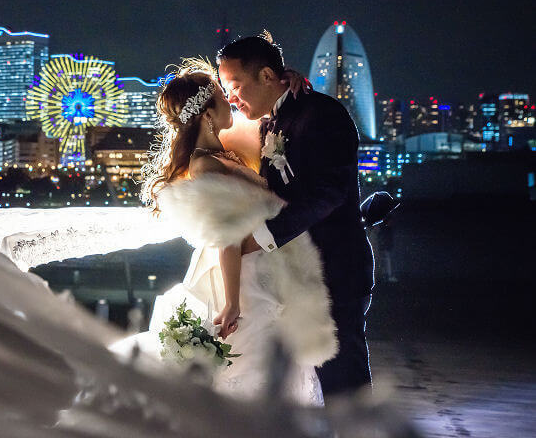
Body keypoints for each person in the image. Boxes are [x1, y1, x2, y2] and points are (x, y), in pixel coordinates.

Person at [119, 60, 337, 405]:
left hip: (263, 267)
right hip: (242, 277)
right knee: (255, 369)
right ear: (207, 113)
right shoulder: (205, 165)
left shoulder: (223, 151)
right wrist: (232, 302)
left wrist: (286, 84)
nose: (232, 100)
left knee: (272, 368)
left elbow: (267, 114)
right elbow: (227, 237)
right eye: (224, 96)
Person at [216, 32, 375, 399]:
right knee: (312, 383)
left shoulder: (322, 113)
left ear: (267, 76)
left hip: (334, 269)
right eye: (226, 90)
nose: (231, 98)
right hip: (297, 275)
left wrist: (264, 236)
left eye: (235, 86)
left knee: (343, 382)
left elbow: (329, 192)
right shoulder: (270, 121)